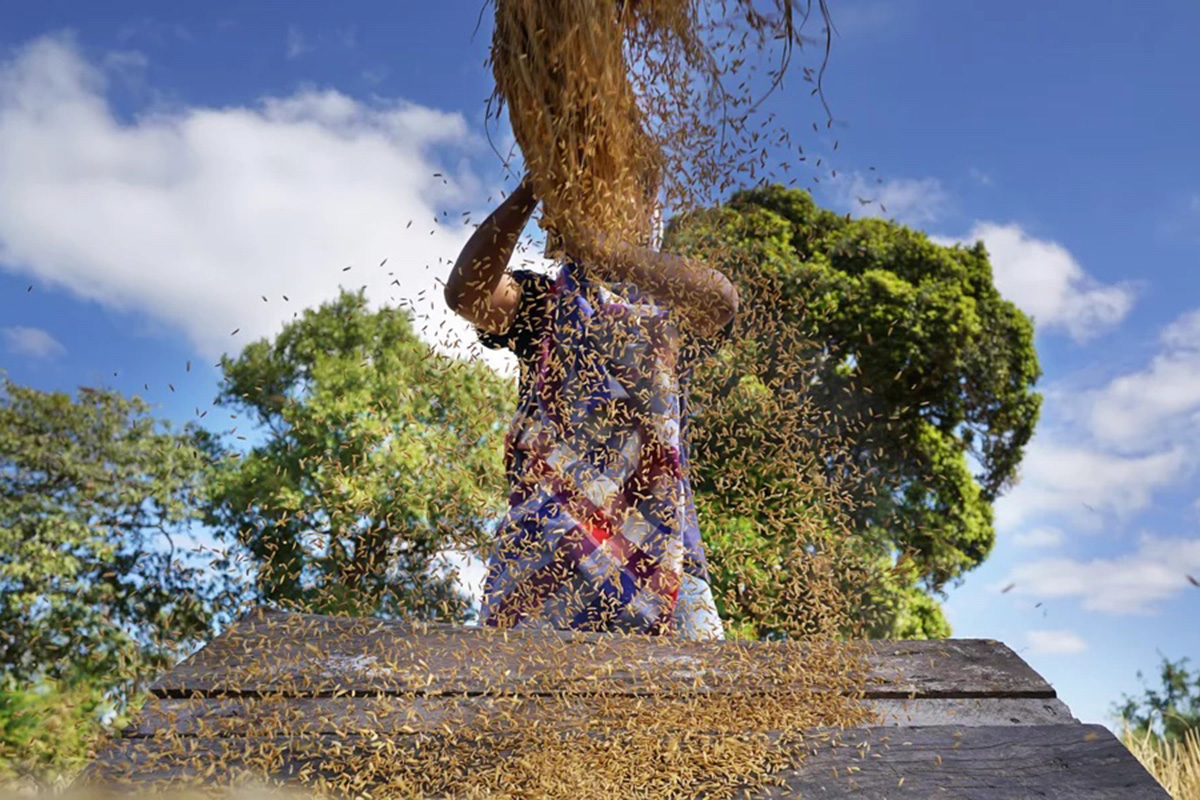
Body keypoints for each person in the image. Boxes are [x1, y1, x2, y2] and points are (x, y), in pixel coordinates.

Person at [443, 171, 737, 640]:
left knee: (698, 704)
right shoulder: (541, 302)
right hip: (550, 547)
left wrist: (605, 252)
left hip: (667, 558)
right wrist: (533, 186)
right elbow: (467, 294)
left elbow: (720, 301)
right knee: (522, 704)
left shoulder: (666, 306)